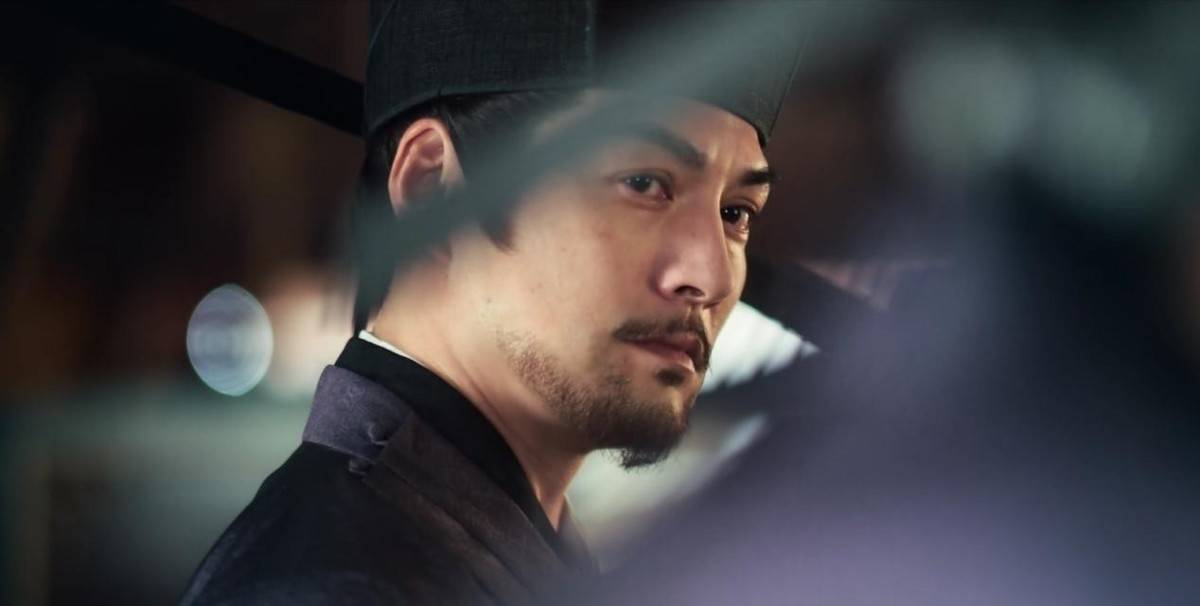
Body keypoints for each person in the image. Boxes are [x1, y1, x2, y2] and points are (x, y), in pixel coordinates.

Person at [180, 1, 801, 604]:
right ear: (432, 187)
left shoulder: (499, 548)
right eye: (643, 183)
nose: (710, 275)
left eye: (735, 213)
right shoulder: (327, 586)